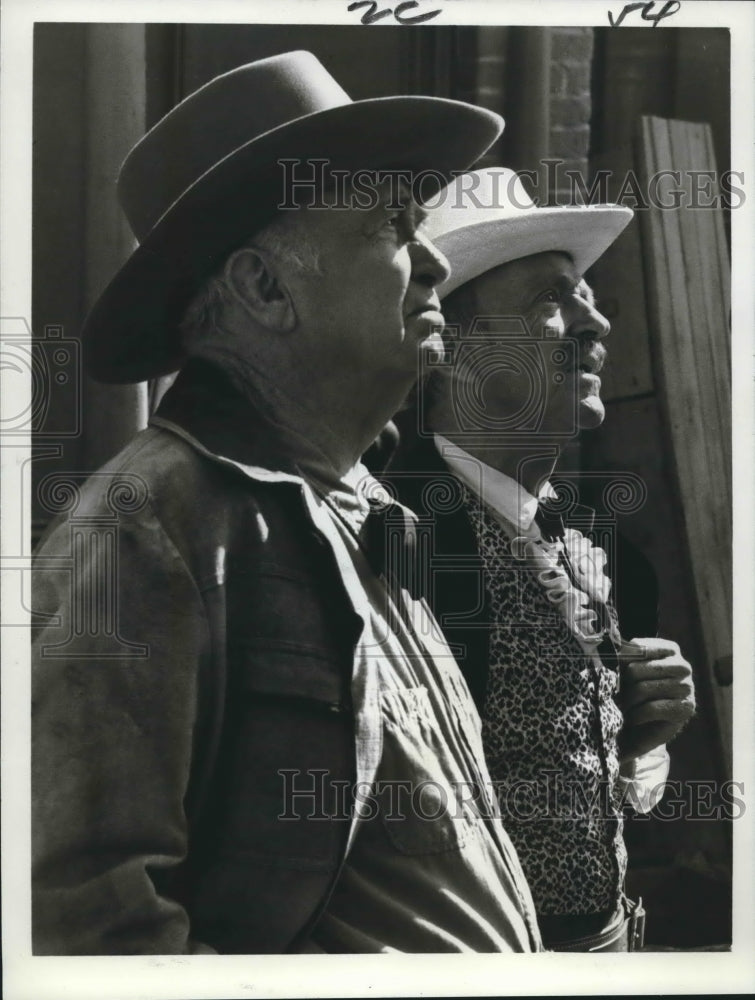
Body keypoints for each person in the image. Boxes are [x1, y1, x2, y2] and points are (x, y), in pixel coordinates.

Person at [31, 53, 543, 955]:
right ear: (263, 289)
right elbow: (84, 922)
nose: (432, 260)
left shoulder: (364, 511)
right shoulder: (152, 524)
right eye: (391, 226)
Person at [386, 167, 696, 951]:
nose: (595, 324)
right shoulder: (394, 534)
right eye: (551, 301)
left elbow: (589, 786)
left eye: (587, 295)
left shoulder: (596, 545)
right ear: (450, 350)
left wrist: (635, 742)